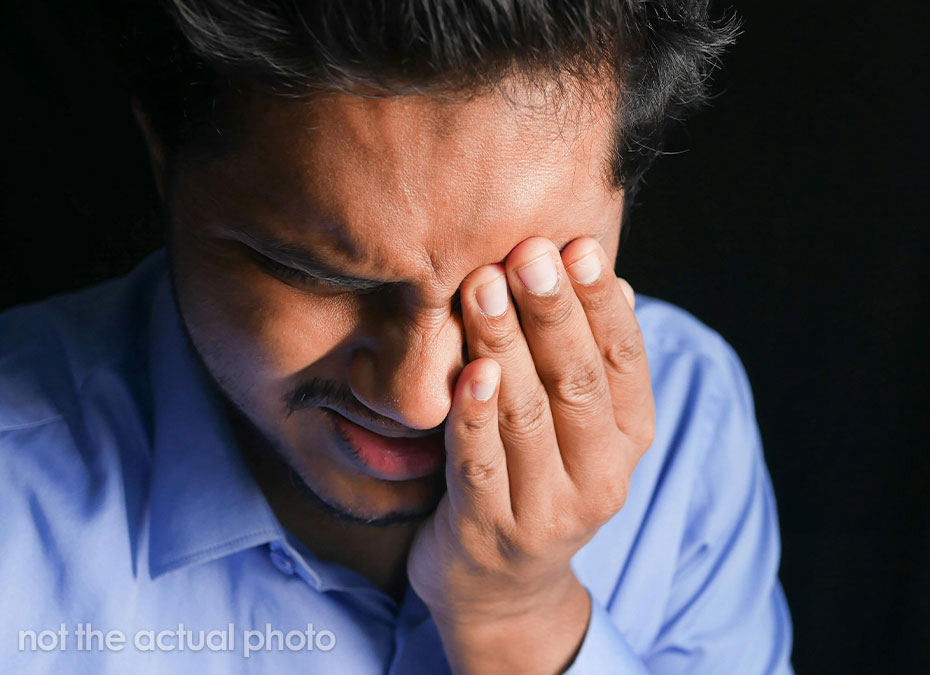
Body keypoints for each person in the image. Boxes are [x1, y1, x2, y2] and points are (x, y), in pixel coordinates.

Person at [0, 1, 792, 672]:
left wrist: (520, 618)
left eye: (518, 280)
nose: (417, 397)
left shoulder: (688, 418)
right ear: (162, 156)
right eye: (320, 276)